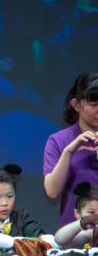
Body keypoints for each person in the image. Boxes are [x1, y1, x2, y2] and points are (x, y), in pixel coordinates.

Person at [42, 73, 98, 226]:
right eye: (93, 104)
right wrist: (68, 152)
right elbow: (52, 191)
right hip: (74, 231)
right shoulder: (58, 141)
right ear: (76, 104)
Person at [0, 162, 43, 237]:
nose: (4, 203)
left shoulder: (21, 217)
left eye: (10, 196)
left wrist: (43, 237)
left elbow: (33, 228)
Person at [53, 182, 98, 248]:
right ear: (77, 214)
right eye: (91, 212)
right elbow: (59, 240)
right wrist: (82, 222)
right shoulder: (91, 232)